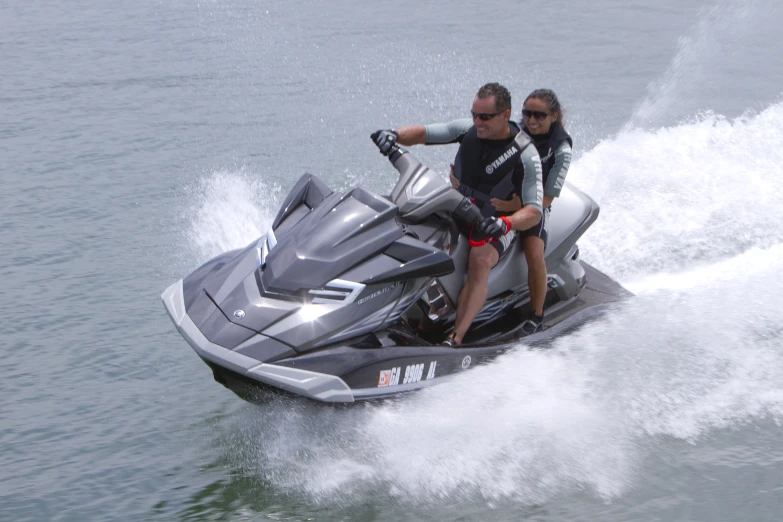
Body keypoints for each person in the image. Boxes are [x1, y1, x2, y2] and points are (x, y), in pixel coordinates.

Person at [371, 83, 543, 345]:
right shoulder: (468, 129)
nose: (477, 122)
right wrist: (393, 134)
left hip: (495, 222)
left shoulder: (526, 154)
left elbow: (534, 211)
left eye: (484, 117)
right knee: (409, 232)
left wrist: (505, 222)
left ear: (505, 115)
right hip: (457, 208)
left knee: (480, 259)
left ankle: (455, 338)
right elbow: (424, 134)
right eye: (474, 114)